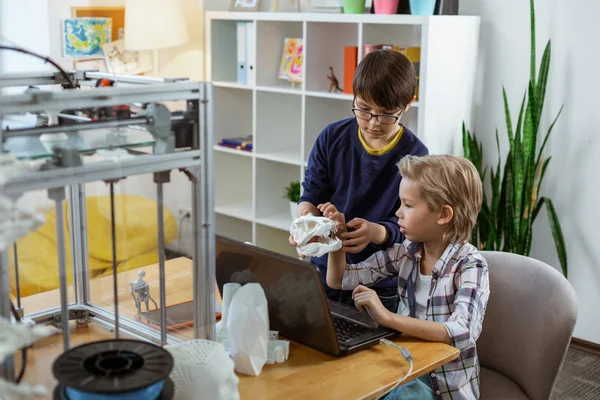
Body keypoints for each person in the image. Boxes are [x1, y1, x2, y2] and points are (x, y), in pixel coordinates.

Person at [320, 154, 490, 400]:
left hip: (440, 387)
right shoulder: (406, 254)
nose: (398, 213)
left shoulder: (470, 266)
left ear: (443, 215)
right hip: (402, 366)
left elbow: (462, 332)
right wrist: (336, 238)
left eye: (408, 205)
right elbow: (339, 280)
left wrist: (387, 317)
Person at [290, 49, 428, 312]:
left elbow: (414, 224)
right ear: (353, 96)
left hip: (378, 284)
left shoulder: (417, 156)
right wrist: (305, 223)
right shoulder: (332, 137)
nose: (373, 123)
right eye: (363, 109)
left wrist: (378, 232)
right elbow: (311, 193)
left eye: (387, 114)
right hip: (324, 272)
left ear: (408, 104)